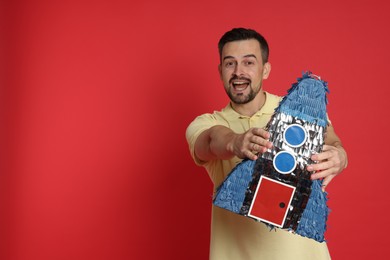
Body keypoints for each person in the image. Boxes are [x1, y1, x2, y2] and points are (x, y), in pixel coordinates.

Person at [185, 28, 348, 260]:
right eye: (230, 64)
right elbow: (211, 140)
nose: (238, 72)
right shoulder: (206, 123)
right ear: (221, 71)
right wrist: (235, 142)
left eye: (248, 62)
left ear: (266, 69)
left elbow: (329, 137)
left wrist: (340, 155)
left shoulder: (296, 109)